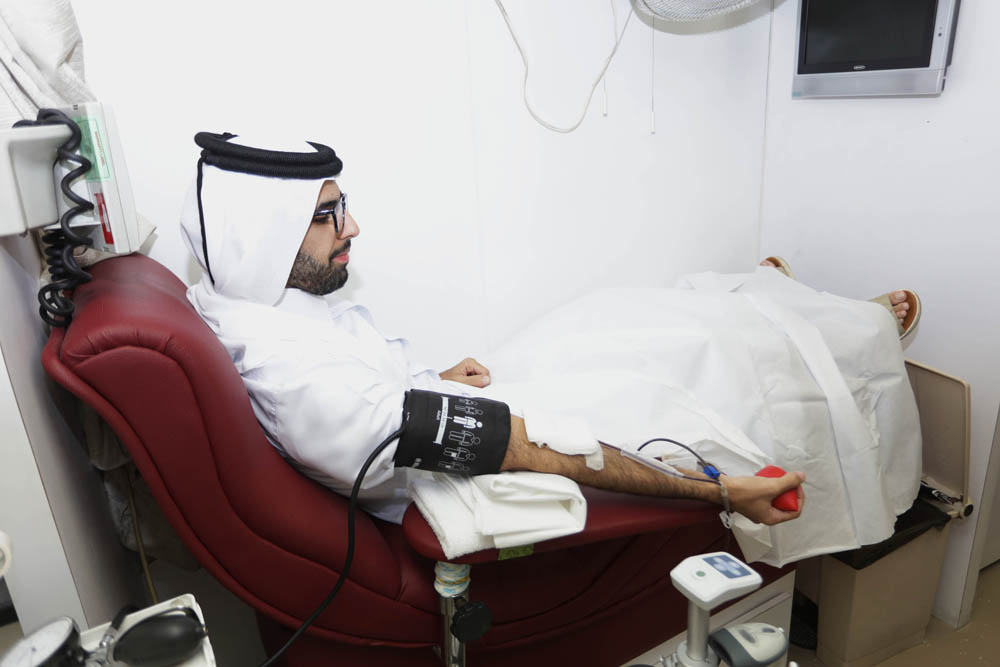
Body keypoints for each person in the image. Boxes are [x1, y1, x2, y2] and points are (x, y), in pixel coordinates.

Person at [181, 137, 920, 563]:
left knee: (624, 315)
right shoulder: (297, 377)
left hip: (470, 398)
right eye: (327, 215)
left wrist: (429, 378)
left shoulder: (249, 305)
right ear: (263, 236)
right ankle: (847, 326)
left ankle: (769, 299)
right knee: (694, 351)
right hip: (507, 439)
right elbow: (542, 453)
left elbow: (369, 392)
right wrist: (720, 493)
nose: (352, 227)